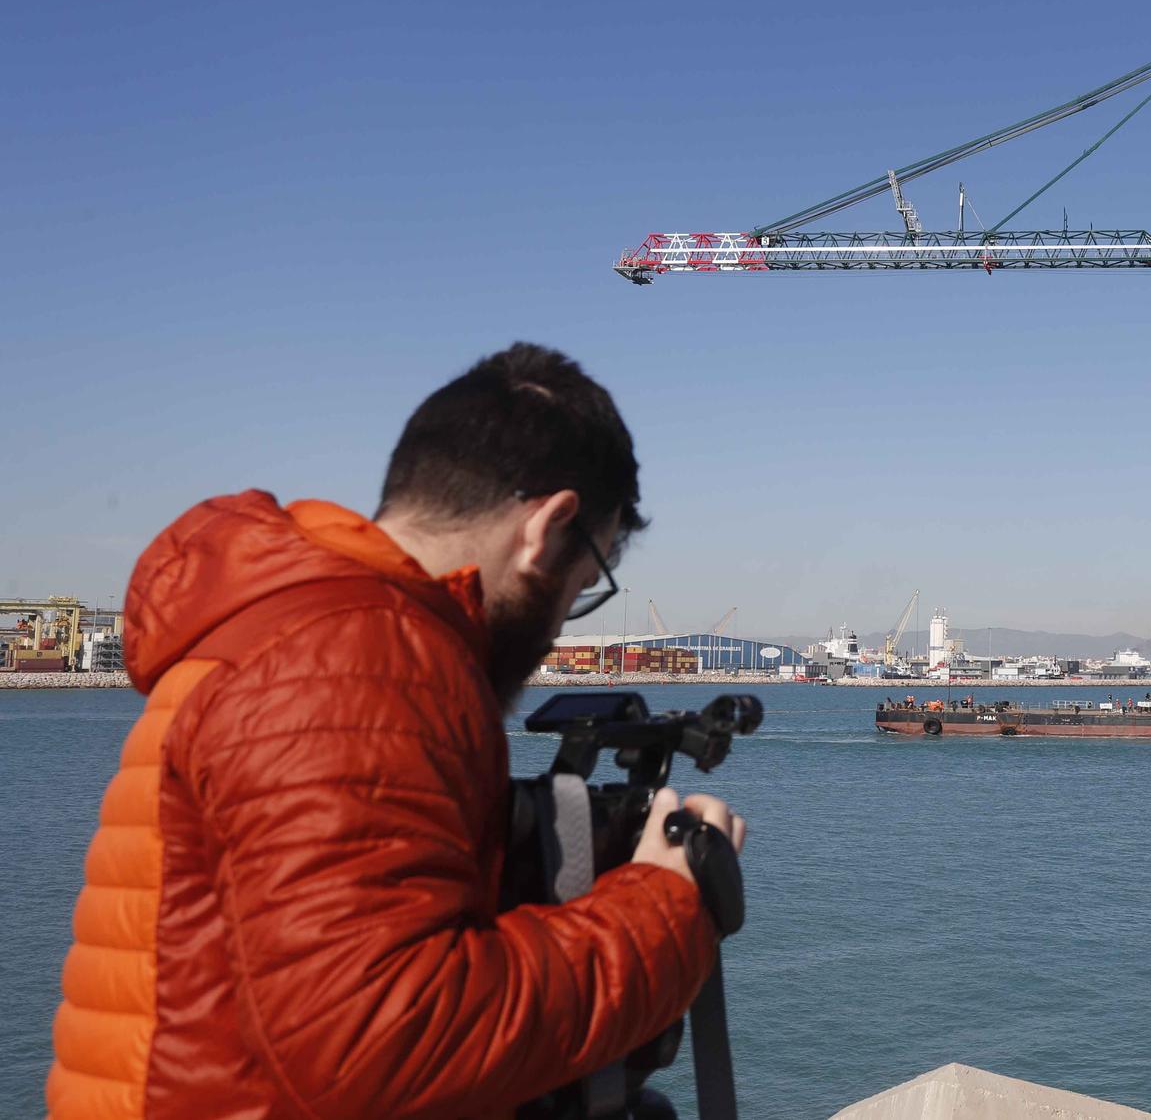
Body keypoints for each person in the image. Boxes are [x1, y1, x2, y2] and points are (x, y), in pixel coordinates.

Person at [48, 343, 745, 1117]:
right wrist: (665, 905)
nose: (556, 628)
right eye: (582, 587)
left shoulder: (286, 627)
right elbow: (381, 1038)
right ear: (548, 526)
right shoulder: (360, 658)